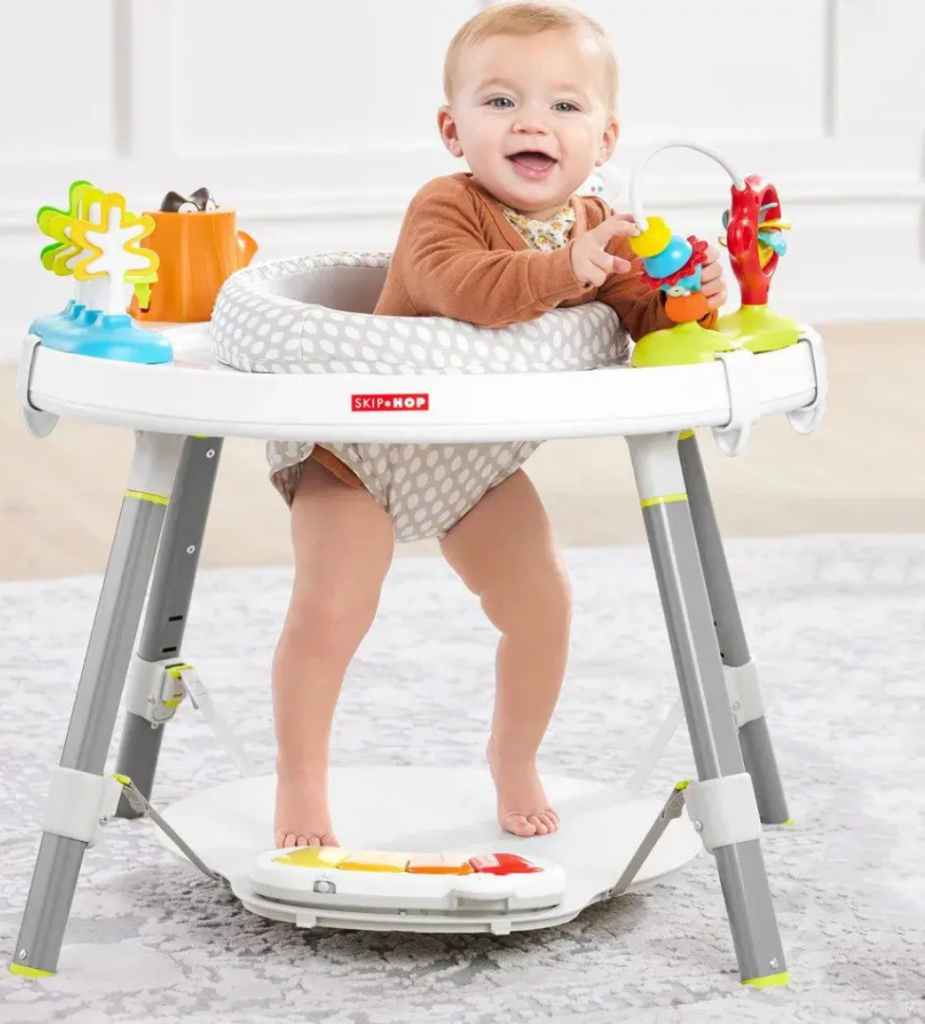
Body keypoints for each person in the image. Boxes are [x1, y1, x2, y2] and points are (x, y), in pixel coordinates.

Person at [269, 2, 728, 848]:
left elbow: (643, 321)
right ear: (453, 129)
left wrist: (684, 294)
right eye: (501, 102)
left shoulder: (599, 226)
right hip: (364, 451)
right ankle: (300, 784)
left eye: (564, 106)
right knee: (332, 611)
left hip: (475, 464)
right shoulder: (443, 208)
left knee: (542, 603)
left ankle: (513, 756)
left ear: (606, 138)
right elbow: (466, 290)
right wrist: (566, 268)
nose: (532, 123)